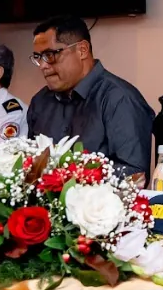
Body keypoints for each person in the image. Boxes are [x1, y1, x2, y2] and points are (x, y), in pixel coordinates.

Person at [26, 16, 154, 177]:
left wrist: (71, 179)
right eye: (38, 57)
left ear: (82, 50)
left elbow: (135, 172)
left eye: (50, 55)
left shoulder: (119, 98)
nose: (43, 65)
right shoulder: (41, 101)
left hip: (101, 200)